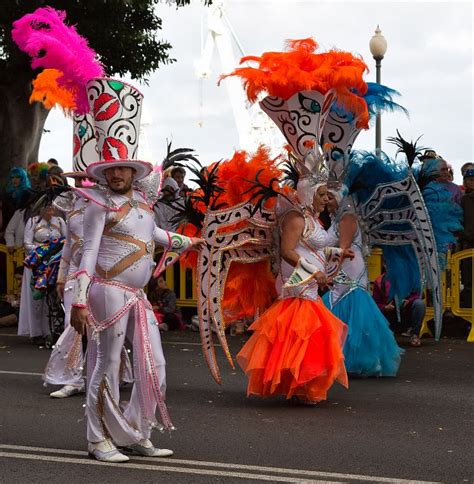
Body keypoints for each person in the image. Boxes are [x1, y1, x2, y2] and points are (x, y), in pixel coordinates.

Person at [69, 77, 204, 463]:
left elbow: (157, 235)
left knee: (155, 366)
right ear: (103, 175)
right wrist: (79, 303)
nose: (115, 176)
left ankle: (135, 432)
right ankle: (97, 440)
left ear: (133, 172)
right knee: (106, 366)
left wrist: (190, 242)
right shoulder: (99, 206)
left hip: (137, 297)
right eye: (109, 171)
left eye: (122, 170)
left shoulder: (144, 206)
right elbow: (88, 253)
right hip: (106, 291)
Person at [237, 181, 353, 403]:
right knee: (300, 333)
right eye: (321, 194)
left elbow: (315, 248)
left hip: (308, 285)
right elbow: (287, 251)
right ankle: (300, 386)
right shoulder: (296, 218)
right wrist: (313, 272)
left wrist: (339, 251)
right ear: (308, 195)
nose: (326, 199)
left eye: (327, 195)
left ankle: (302, 385)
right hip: (298, 282)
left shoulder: (312, 221)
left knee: (308, 335)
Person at [322, 191, 403, 374]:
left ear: (341, 197)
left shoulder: (347, 218)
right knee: (341, 306)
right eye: (325, 196)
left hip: (348, 267)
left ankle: (351, 359)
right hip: (343, 266)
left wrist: (311, 251)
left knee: (350, 306)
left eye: (330, 196)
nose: (327, 200)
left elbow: (342, 249)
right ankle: (338, 357)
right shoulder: (339, 218)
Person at [18, 204, 66, 345]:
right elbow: (27, 243)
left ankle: (53, 331)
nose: (51, 208)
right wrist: (44, 251)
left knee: (53, 298)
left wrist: (55, 253)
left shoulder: (60, 221)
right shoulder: (33, 221)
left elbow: (66, 240)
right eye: (47, 206)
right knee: (36, 298)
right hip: (37, 264)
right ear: (40, 208)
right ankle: (37, 332)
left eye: (52, 206)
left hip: (54, 264)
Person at [373, 270, 425, 346]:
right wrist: (385, 307)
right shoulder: (379, 281)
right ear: (384, 264)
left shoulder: (408, 278)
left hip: (406, 312)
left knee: (419, 304)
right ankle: (386, 335)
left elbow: (420, 295)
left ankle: (414, 335)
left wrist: (409, 301)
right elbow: (375, 304)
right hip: (389, 314)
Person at [459, 168, 474, 307]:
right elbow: (458, 221)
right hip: (468, 246)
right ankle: (469, 316)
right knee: (468, 282)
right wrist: (465, 236)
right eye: (470, 180)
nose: (472, 182)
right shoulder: (464, 200)